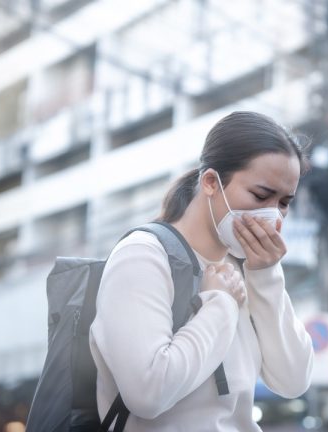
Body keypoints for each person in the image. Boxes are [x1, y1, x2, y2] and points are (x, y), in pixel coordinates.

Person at [89, 111, 315, 431]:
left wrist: (266, 275)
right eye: (261, 196)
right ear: (211, 182)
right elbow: (148, 394)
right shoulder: (143, 255)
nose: (272, 215)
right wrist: (219, 304)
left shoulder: (247, 271)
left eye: (284, 203)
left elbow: (293, 381)